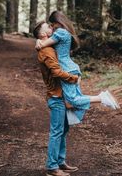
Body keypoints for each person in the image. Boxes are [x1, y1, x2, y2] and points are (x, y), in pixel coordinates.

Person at [35, 11, 119, 125]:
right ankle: (72, 117)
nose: (52, 26)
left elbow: (42, 45)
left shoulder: (60, 32)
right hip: (71, 67)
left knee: (73, 99)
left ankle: (101, 98)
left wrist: (38, 40)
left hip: (67, 69)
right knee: (73, 99)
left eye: (52, 24)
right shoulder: (65, 32)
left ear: (57, 22)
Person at [33, 21, 79, 176]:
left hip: (60, 95)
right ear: (42, 34)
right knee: (56, 131)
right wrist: (73, 78)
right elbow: (56, 72)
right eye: (48, 27)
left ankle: (60, 161)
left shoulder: (47, 46)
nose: (52, 28)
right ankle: (52, 167)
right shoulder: (47, 51)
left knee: (63, 129)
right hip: (56, 96)